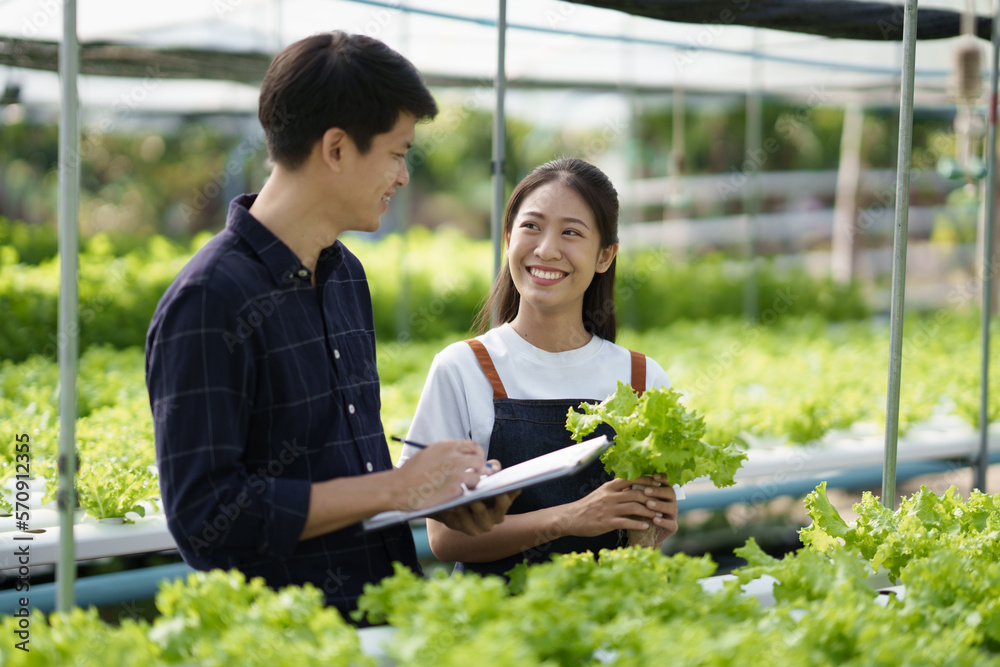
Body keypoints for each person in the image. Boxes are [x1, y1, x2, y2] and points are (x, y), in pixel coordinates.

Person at [145, 31, 514, 620]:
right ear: (337, 148)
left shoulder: (344, 276)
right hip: (292, 639)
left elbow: (342, 475)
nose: (403, 176)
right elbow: (207, 518)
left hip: (387, 616)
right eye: (397, 153)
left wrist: (437, 494)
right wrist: (398, 488)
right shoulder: (210, 300)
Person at [400, 158, 679, 577]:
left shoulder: (642, 379)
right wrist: (572, 517)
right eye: (531, 227)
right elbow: (442, 538)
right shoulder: (463, 368)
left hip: (609, 617)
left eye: (571, 232)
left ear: (605, 256)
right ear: (508, 239)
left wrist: (654, 528)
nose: (547, 249)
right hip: (495, 628)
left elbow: (644, 538)